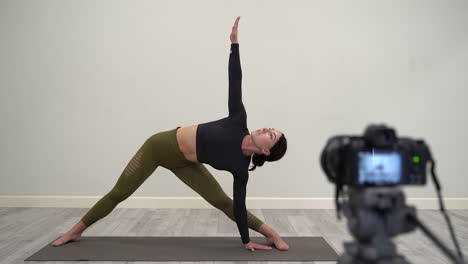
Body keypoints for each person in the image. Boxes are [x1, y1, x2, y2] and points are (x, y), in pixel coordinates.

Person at [52, 16, 289, 252]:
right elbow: (235, 80)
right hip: (159, 148)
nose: (266, 129)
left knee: (222, 202)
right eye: (269, 127)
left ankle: (272, 234)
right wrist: (234, 45)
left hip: (185, 164)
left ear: (266, 150)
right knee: (120, 193)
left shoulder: (240, 167)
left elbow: (238, 206)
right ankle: (74, 232)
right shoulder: (238, 120)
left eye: (271, 134)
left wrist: (246, 240)